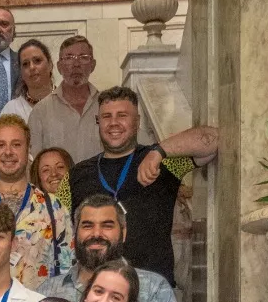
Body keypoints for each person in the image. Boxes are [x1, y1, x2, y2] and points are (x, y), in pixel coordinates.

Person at [62, 87, 217, 285]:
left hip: (152, 291)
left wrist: (159, 151)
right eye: (107, 116)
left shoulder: (164, 162)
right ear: (98, 122)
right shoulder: (76, 175)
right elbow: (60, 228)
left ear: (137, 121)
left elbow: (213, 141)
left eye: (122, 115)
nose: (114, 123)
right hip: (96, 293)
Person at [39, 194, 190, 302]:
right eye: (88, 226)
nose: (96, 234)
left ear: (123, 233)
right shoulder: (48, 293)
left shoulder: (154, 288)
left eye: (107, 226)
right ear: (75, 233)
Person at [0, 115, 72, 289]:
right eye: (0, 145)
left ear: (28, 149)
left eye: (16, 144)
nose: (8, 152)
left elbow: (68, 274)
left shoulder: (53, 208)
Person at [28, 36, 105, 162]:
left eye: (83, 57)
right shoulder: (41, 112)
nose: (76, 64)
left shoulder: (106, 106)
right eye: (69, 58)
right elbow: (34, 163)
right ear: (59, 67)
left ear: (93, 65)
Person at [1, 39, 55, 122]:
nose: (32, 67)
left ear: (50, 65)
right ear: (21, 72)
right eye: (25, 64)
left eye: (37, 61)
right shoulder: (11, 110)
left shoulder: (68, 103)